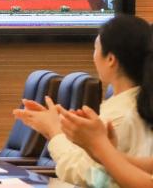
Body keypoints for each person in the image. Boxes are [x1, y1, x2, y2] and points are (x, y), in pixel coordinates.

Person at [13, 14, 153, 186]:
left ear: (110, 59)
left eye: (95, 48)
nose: (93, 56)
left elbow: (89, 176)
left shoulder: (122, 114)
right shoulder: (129, 105)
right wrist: (89, 143)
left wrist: (55, 131)